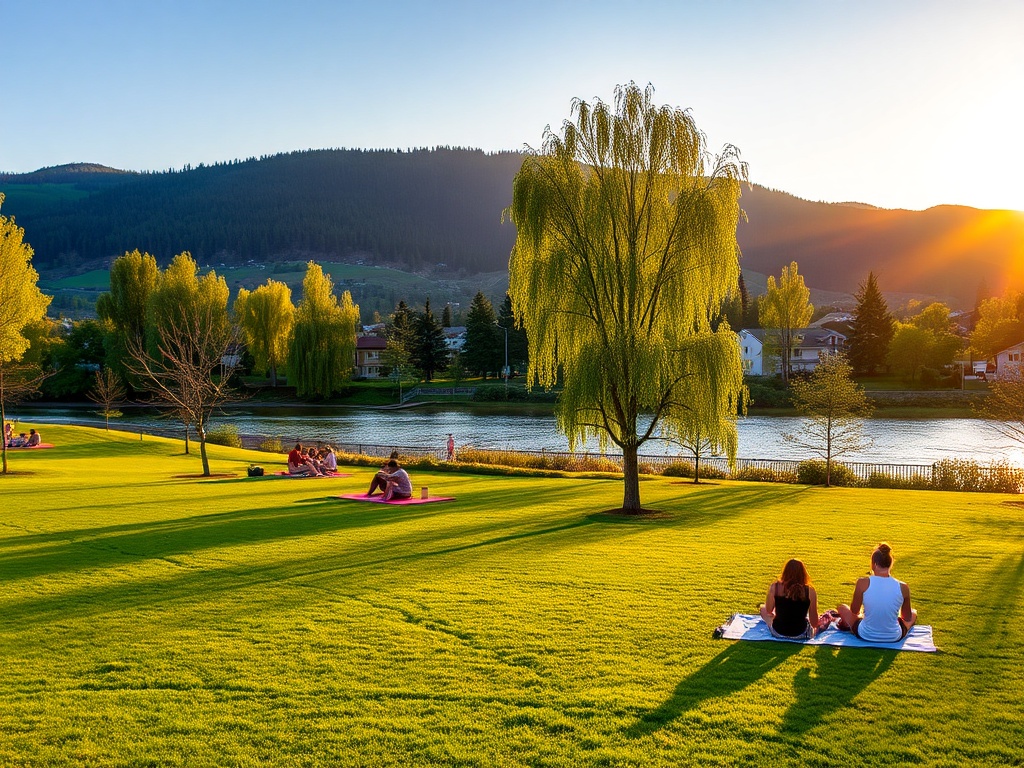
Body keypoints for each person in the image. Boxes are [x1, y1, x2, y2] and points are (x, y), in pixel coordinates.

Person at [837, 542, 917, 643]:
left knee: (842, 608)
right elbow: (907, 617)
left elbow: (854, 611)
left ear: (874, 564)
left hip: (866, 634)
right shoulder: (903, 587)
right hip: (893, 636)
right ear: (890, 564)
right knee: (913, 613)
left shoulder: (862, 583)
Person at [759, 559, 818, 639]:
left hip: (778, 632)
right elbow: (814, 623)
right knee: (817, 626)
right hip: (801, 633)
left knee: (763, 608)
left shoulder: (775, 587)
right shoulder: (810, 591)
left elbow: (769, 611)